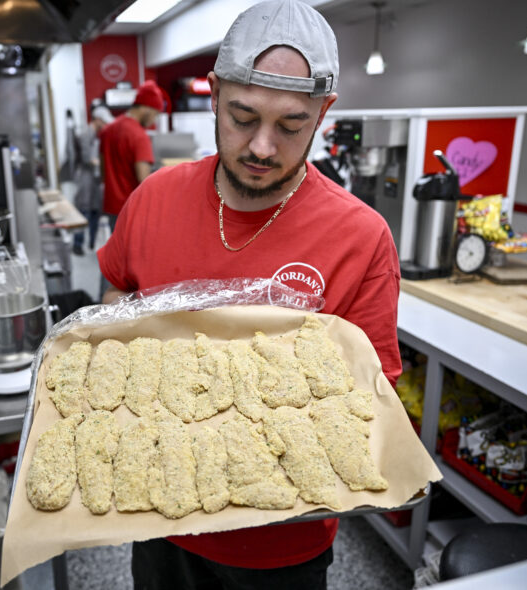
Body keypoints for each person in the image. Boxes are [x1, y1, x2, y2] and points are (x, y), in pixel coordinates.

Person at [98, 0, 401, 587]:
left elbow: (371, 398)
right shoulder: (154, 198)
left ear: (323, 114)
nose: (262, 147)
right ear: (213, 95)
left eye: (291, 126)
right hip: (158, 521)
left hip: (280, 546)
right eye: (242, 116)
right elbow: (116, 297)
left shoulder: (361, 238)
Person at [98, 80, 165, 231]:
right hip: (132, 210)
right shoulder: (139, 136)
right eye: (155, 114)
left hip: (112, 208)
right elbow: (144, 181)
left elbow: (103, 172)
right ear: (147, 108)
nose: (153, 121)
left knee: (118, 252)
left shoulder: (108, 130)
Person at [72, 105, 114, 255]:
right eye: (103, 122)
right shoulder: (85, 133)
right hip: (85, 178)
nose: (105, 126)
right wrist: (105, 163)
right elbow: (86, 159)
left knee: (95, 211)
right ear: (97, 120)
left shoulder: (98, 135)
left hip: (95, 179)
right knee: (83, 211)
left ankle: (92, 244)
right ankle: (77, 244)